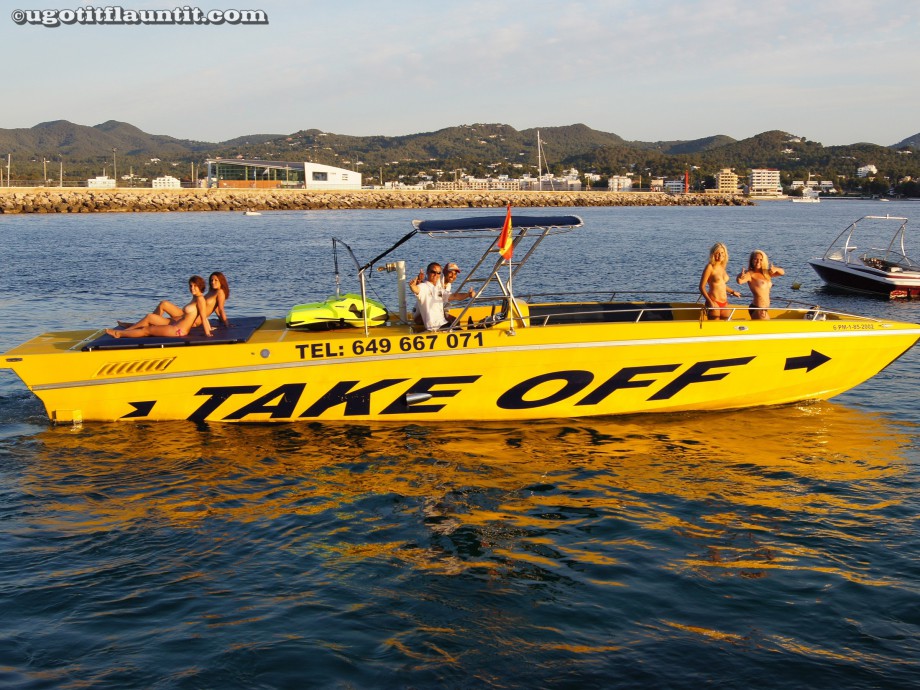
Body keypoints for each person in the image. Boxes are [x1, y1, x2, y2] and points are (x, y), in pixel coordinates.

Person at [107, 276, 212, 339]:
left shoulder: (200, 299)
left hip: (178, 330)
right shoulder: (195, 297)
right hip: (176, 324)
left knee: (146, 330)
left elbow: (203, 317)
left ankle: (119, 334)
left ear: (200, 286)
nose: (192, 288)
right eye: (190, 286)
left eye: (194, 286)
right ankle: (128, 330)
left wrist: (208, 333)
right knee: (149, 318)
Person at [737, 250, 784, 320]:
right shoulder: (750, 274)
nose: (758, 261)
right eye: (755, 259)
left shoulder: (766, 273)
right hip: (758, 308)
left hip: (764, 308)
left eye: (761, 260)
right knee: (767, 329)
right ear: (752, 260)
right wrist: (740, 276)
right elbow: (740, 281)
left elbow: (782, 272)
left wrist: (776, 269)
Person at [699, 242, 741, 320]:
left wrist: (732, 292)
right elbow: (701, 287)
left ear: (725, 254)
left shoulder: (722, 267)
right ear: (713, 254)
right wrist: (710, 302)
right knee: (715, 328)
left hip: (724, 303)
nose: (720, 255)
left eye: (722, 252)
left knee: (726, 327)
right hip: (714, 302)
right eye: (717, 253)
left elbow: (721, 285)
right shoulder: (710, 267)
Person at [409, 263, 450, 331]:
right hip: (433, 325)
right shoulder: (424, 286)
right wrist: (413, 286)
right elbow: (417, 289)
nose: (436, 275)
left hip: (441, 322)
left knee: (454, 322)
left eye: (439, 273)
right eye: (433, 272)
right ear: (427, 272)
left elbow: (453, 296)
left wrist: (467, 295)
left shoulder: (438, 287)